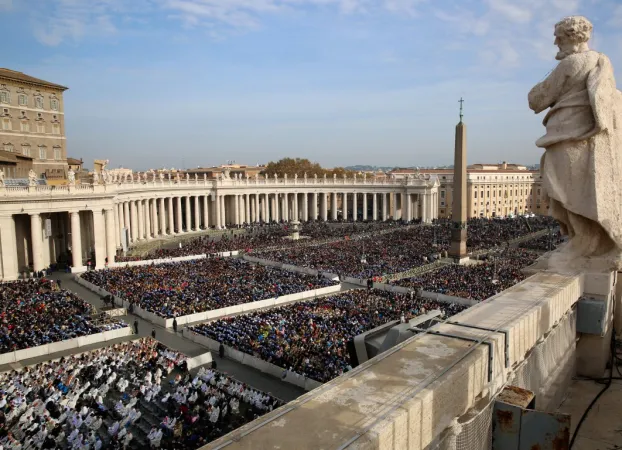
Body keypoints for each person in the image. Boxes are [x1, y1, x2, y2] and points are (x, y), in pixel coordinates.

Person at [528, 15, 622, 258]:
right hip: (582, 137)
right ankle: (586, 241)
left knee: (565, 189)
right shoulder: (602, 62)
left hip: (567, 136)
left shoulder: (572, 64)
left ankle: (584, 241)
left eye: (558, 37)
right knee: (576, 190)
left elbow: (536, 100)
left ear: (570, 38)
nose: (555, 43)